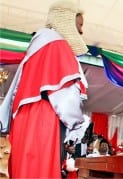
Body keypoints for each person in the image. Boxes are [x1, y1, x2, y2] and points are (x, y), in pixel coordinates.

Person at [0, 0, 89, 177]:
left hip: (24, 122)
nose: (81, 31)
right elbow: (67, 101)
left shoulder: (37, 46)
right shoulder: (58, 46)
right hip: (42, 122)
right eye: (79, 25)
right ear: (67, 21)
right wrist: (80, 124)